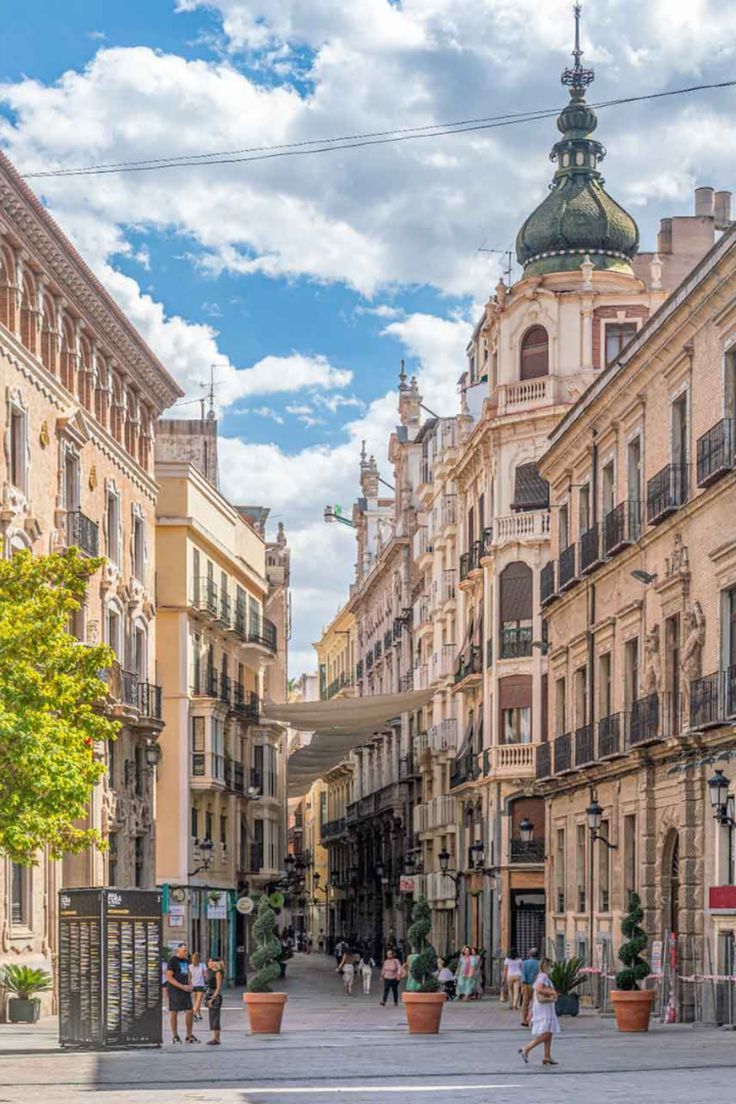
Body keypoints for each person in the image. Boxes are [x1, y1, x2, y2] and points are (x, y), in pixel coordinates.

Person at [519, 958, 560, 1067]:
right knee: (546, 1032)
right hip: (544, 1007)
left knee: (549, 1031)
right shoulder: (543, 976)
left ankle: (547, 1056)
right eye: (551, 966)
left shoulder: (540, 976)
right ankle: (527, 1048)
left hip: (544, 1006)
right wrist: (552, 992)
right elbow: (539, 989)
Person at [166, 942, 197, 1043]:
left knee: (189, 1011)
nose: (185, 952)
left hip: (185, 988)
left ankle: (189, 1035)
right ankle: (175, 1035)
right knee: (174, 1011)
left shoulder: (186, 961)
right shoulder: (172, 961)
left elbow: (188, 974)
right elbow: (169, 977)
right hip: (175, 989)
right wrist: (181, 986)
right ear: (178, 950)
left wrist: (190, 984)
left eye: (186, 951)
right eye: (184, 951)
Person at [204, 957, 224, 1046]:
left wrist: (212, 999)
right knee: (212, 1016)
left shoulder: (218, 973)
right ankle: (215, 1038)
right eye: (209, 961)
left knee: (215, 1016)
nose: (209, 963)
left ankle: (217, 1038)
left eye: (210, 961)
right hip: (209, 994)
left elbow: (218, 988)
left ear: (215, 963)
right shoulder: (210, 972)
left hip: (215, 995)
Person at [520, 947, 541, 1027]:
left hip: (527, 985)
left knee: (525, 1003)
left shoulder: (525, 963)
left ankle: (525, 1020)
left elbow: (523, 975)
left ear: (530, 954)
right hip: (537, 985)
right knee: (536, 1003)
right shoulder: (539, 963)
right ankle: (535, 1019)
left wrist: (522, 985)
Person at [503, 947, 524, 1011]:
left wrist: (504, 978)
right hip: (518, 975)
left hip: (510, 976)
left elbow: (505, 969)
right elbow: (521, 969)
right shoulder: (519, 960)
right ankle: (515, 1005)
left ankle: (511, 1005)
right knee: (516, 991)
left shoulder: (507, 959)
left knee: (510, 990)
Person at [189, 952, 207, 1022]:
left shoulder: (190, 966)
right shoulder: (202, 965)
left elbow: (189, 977)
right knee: (198, 1002)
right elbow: (206, 976)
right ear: (199, 958)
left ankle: (198, 1014)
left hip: (193, 985)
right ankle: (193, 1014)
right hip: (200, 985)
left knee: (195, 1001)